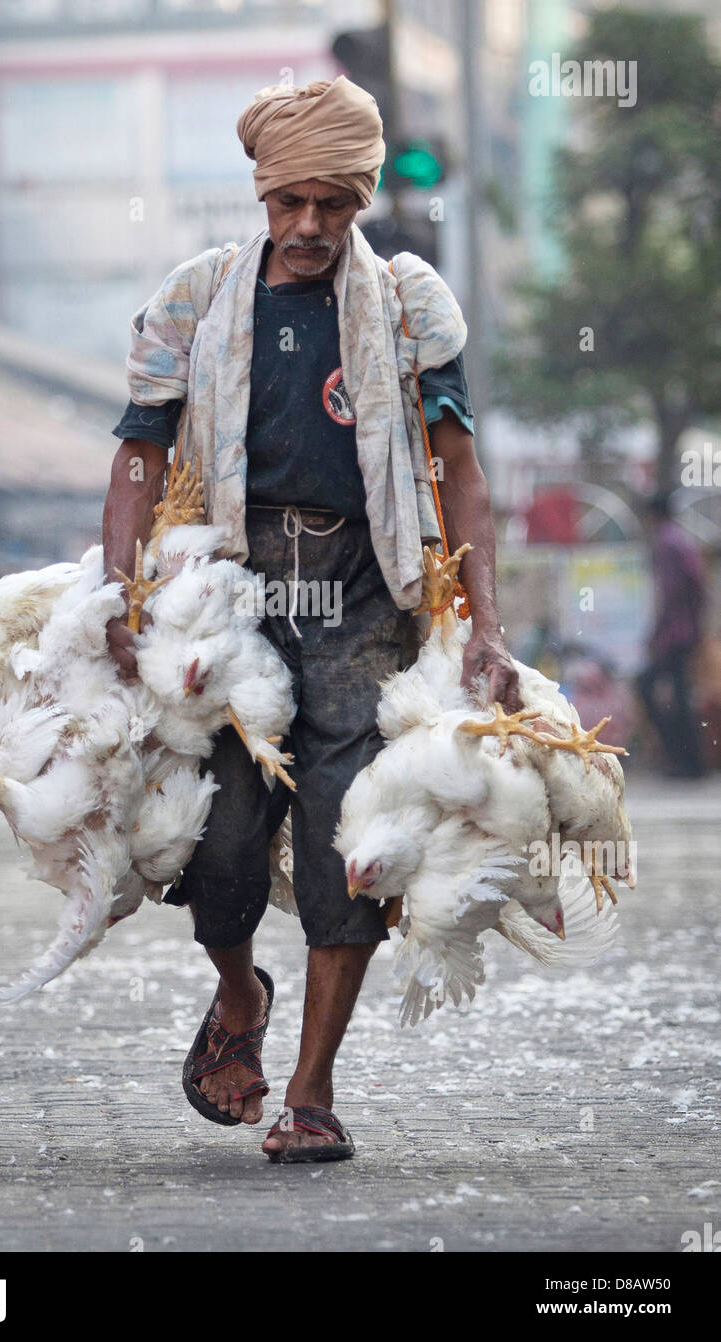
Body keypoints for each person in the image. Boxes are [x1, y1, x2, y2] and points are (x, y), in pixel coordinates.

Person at [100, 77, 519, 1162]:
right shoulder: (194, 298)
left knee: (353, 846)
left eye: (333, 206)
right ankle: (238, 994)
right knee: (218, 840)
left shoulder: (410, 303)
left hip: (361, 592)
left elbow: (457, 471)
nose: (308, 228)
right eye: (289, 203)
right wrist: (119, 591)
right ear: (260, 195)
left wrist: (485, 625)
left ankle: (312, 1088)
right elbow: (140, 456)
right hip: (230, 593)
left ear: (361, 201)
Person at [636, 492, 706, 778]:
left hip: (673, 635)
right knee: (678, 693)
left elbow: (669, 593)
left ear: (653, 515)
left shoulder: (665, 542)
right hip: (686, 632)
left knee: (647, 686)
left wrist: (656, 632)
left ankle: (683, 758)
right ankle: (689, 762)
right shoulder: (680, 538)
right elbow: (697, 586)